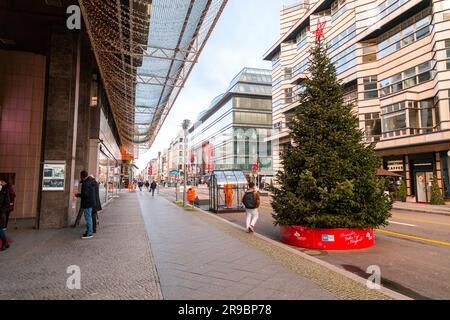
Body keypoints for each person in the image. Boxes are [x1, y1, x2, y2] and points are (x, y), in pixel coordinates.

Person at [75, 171, 97, 239]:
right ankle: (88, 231)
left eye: (80, 176)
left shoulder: (86, 183)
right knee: (89, 218)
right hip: (91, 202)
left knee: (88, 218)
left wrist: (78, 194)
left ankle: (89, 233)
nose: (80, 178)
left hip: (87, 203)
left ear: (82, 176)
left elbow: (85, 194)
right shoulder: (91, 181)